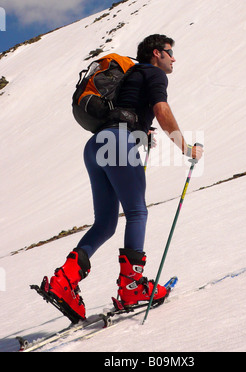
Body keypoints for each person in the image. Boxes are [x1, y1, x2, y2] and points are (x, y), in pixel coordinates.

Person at [45, 34, 203, 321]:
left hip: (96, 145)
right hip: (118, 143)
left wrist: (142, 132)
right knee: (137, 212)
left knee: (105, 223)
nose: (173, 58)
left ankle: (63, 281)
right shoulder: (153, 73)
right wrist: (186, 147)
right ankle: (132, 288)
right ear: (157, 53)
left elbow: (129, 112)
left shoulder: (131, 76)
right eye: (170, 52)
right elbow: (161, 109)